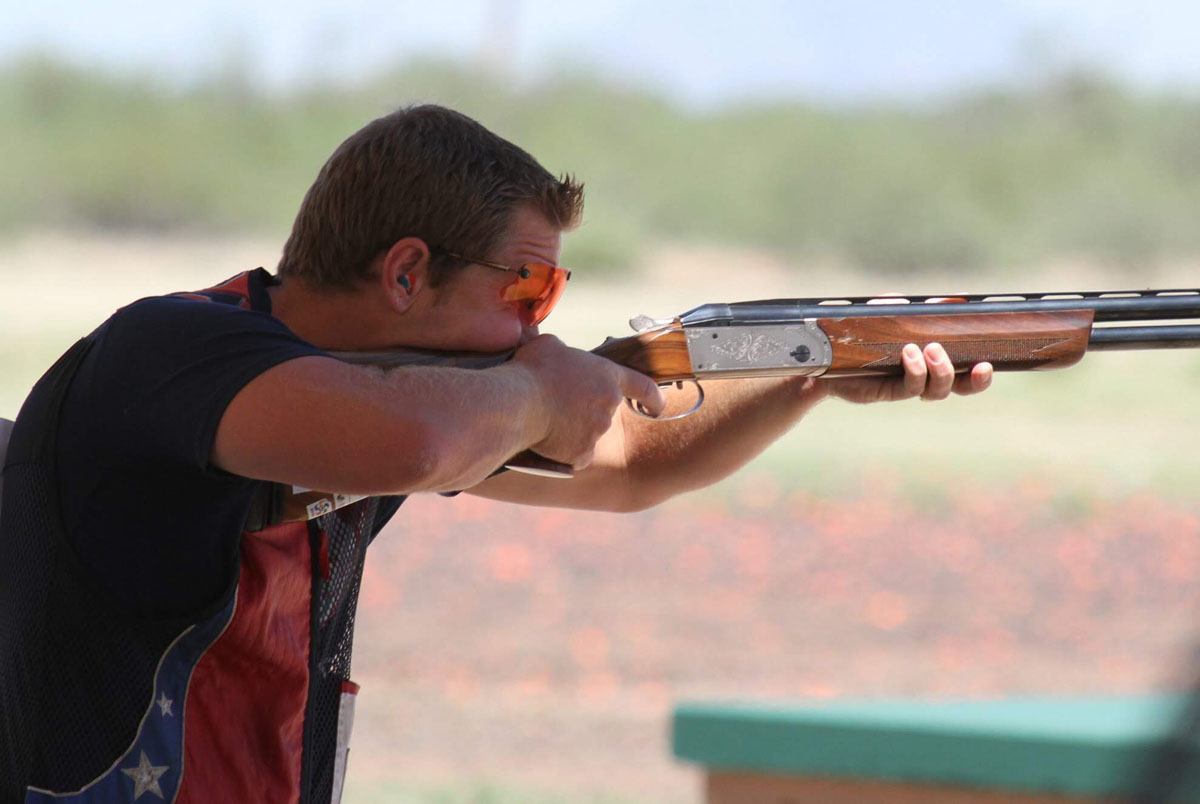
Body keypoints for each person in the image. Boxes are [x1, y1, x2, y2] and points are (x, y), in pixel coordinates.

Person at [0, 104, 992, 803]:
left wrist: (816, 374)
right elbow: (421, 440)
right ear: (406, 273)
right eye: (525, 290)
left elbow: (633, 462)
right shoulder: (172, 350)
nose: (536, 328)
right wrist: (542, 391)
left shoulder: (413, 396)